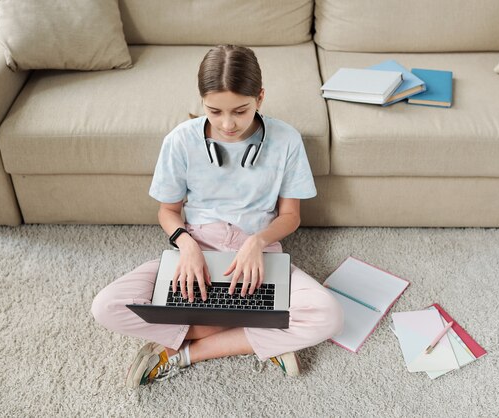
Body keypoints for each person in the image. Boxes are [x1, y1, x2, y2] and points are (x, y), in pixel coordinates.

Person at [92, 45, 344, 387]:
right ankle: (266, 334)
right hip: (196, 247)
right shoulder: (180, 141)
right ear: (202, 102)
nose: (228, 124)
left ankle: (183, 352)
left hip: (257, 252)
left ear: (260, 98)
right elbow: (167, 211)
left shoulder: (286, 140)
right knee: (105, 307)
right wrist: (187, 246)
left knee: (329, 315)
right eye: (214, 111)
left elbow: (290, 215)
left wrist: (258, 241)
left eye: (240, 111)